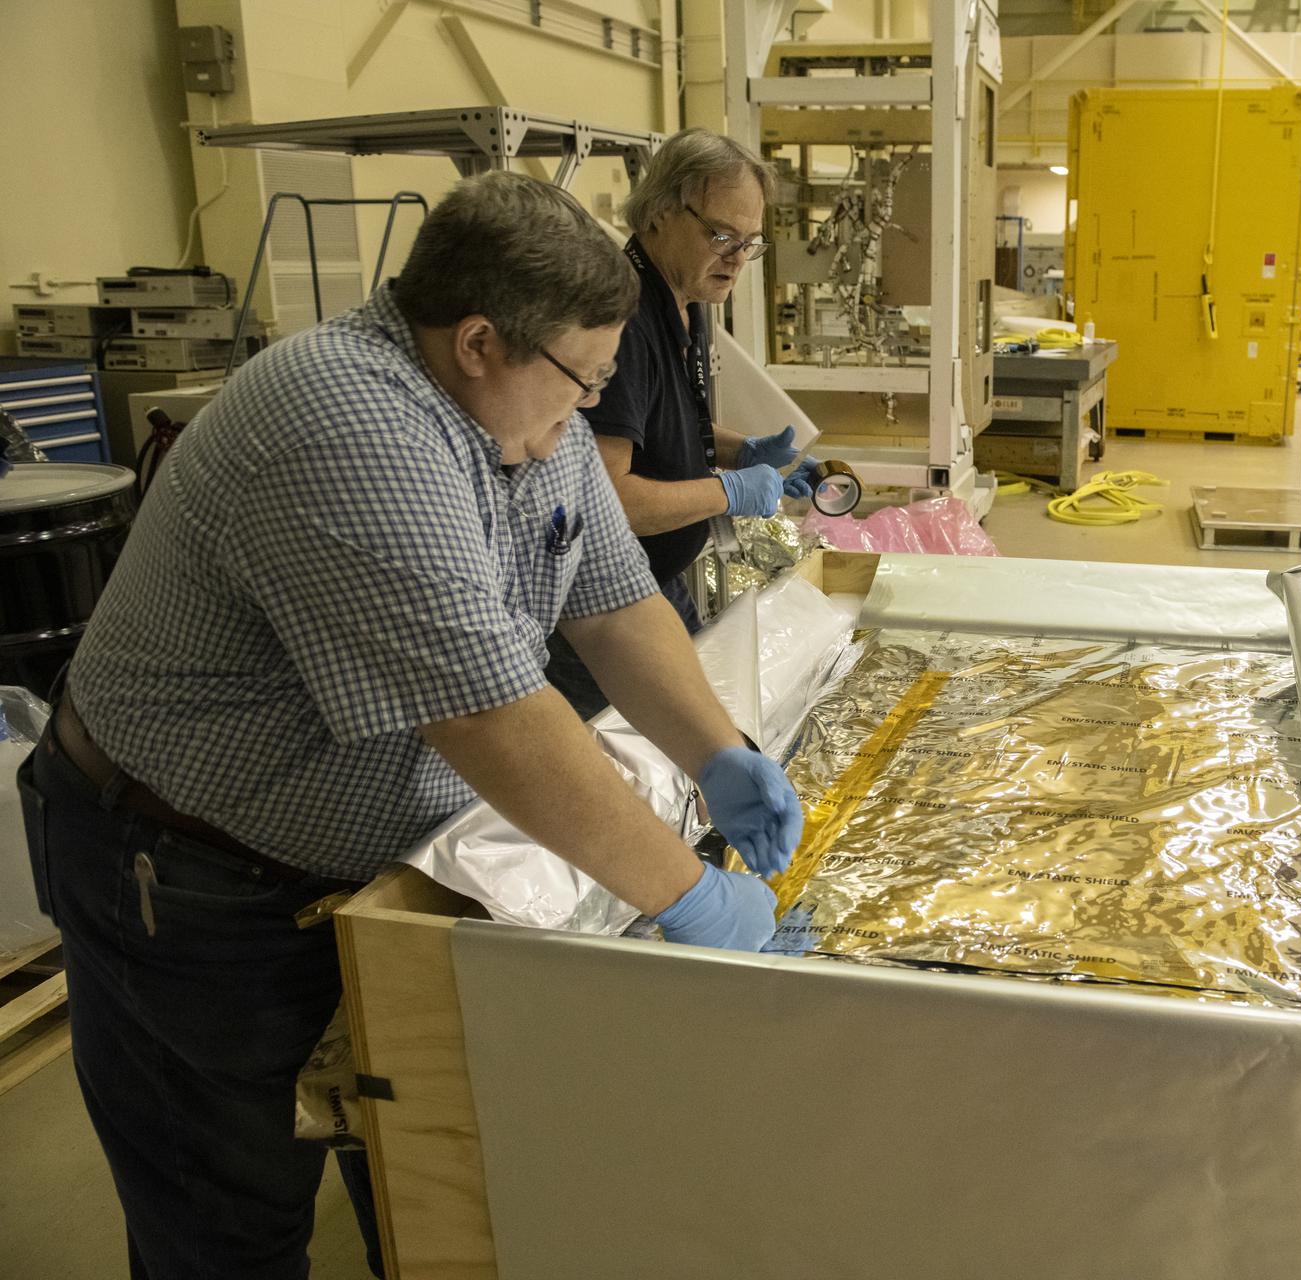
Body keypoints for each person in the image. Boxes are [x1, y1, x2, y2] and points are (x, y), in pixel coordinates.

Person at [13, 171, 804, 1278]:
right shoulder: (348, 421)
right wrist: (683, 889)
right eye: (579, 380)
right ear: (479, 339)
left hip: (363, 865)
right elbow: (491, 714)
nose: (588, 408)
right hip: (185, 880)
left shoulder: (525, 400)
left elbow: (614, 598)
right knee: (227, 1217)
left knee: (420, 1173)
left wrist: (717, 751)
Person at [546, 128, 815, 717]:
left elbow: (657, 427)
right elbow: (608, 497)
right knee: (637, 762)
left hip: (657, 578)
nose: (737, 258)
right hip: (603, 607)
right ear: (662, 212)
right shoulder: (627, 320)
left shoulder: (684, 302)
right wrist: (726, 492)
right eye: (721, 235)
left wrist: (744, 451)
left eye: (750, 242)